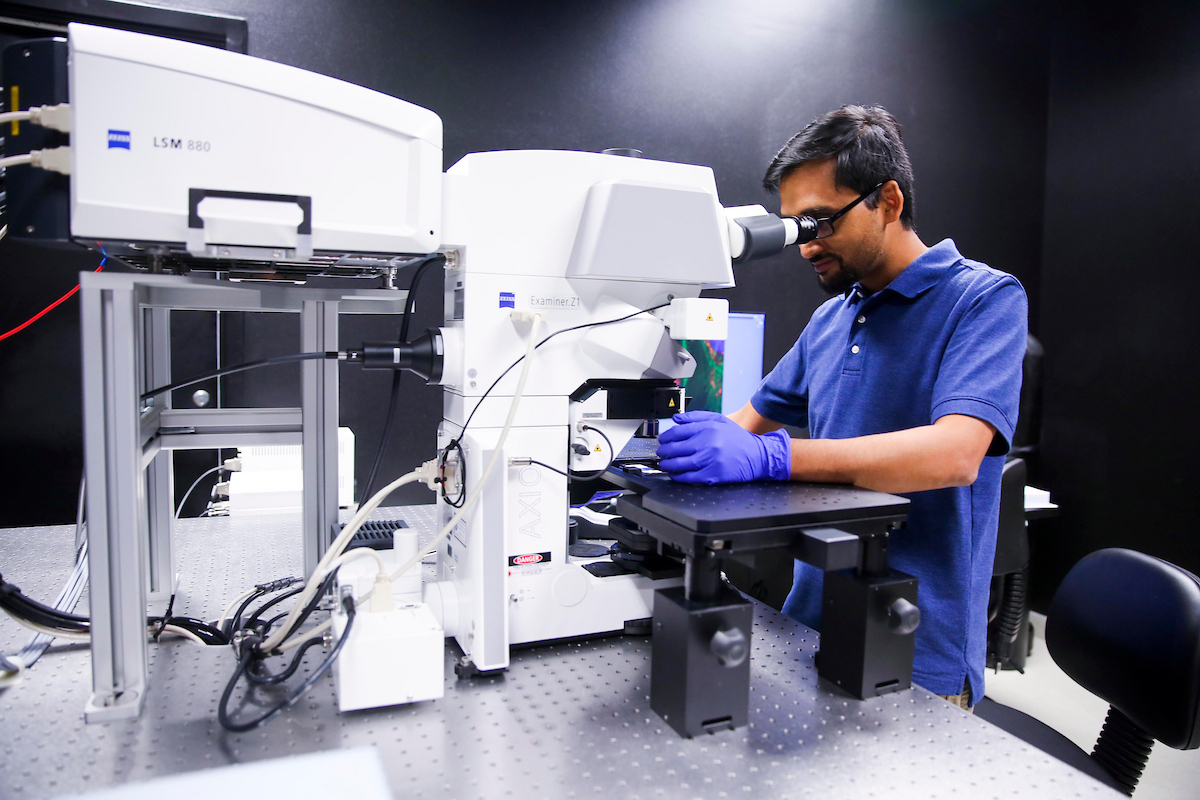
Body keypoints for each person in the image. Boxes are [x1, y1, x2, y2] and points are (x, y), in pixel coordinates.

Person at [657, 105, 1027, 710]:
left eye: (819, 222)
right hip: (806, 626)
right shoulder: (831, 317)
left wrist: (771, 458)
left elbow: (955, 455)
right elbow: (744, 429)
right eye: (794, 228)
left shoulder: (983, 299)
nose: (806, 246)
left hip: (914, 651)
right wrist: (679, 457)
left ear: (888, 201)